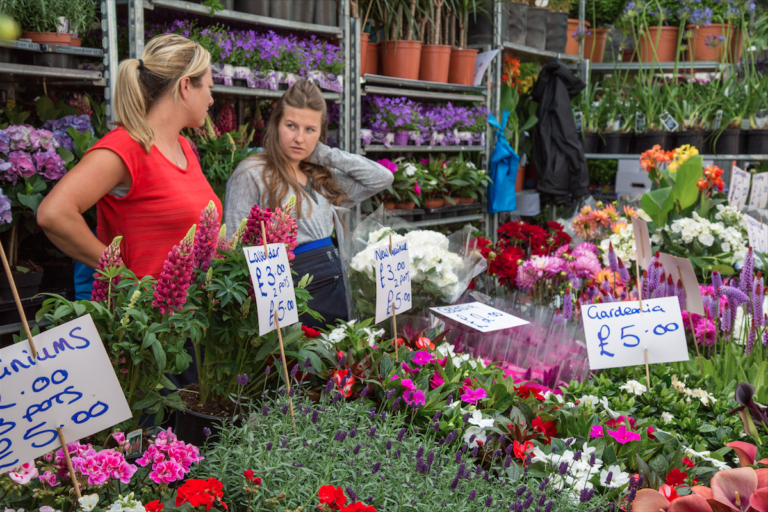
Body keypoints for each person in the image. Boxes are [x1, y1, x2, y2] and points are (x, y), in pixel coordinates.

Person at [37, 34, 221, 283]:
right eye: (209, 87)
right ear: (186, 86)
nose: (211, 99)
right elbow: (54, 213)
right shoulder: (126, 146)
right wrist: (121, 273)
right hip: (145, 318)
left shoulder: (184, 146)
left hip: (191, 317)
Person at [224, 79, 393, 328]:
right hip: (285, 292)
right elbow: (233, 245)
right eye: (291, 126)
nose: (299, 138)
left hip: (334, 289)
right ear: (276, 125)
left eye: (310, 129)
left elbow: (381, 178)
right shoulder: (251, 173)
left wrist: (323, 153)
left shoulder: (321, 175)